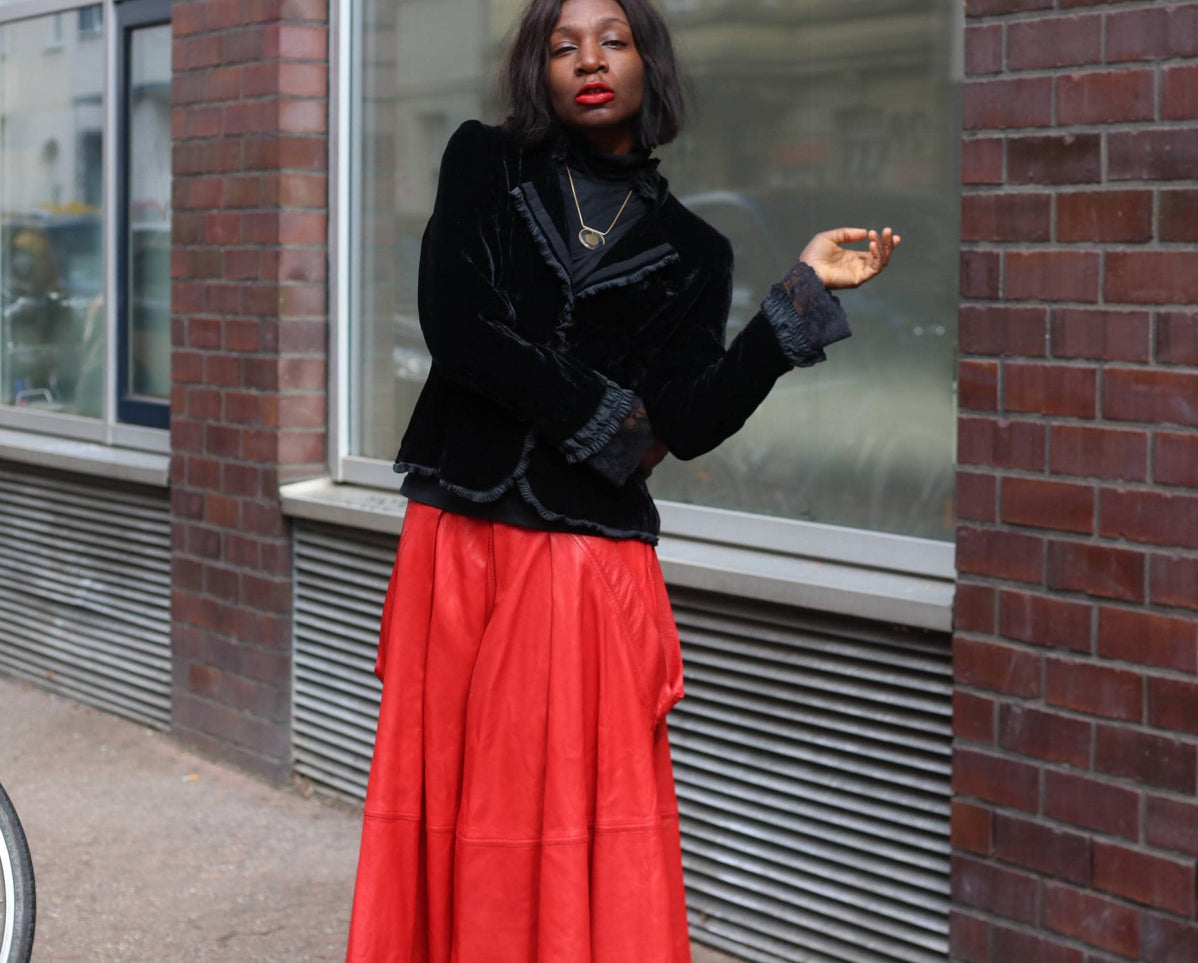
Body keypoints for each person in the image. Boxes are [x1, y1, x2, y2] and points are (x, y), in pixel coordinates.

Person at [344, 0, 899, 959]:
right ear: (537, 70)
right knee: (443, 790)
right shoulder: (483, 160)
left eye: (612, 40)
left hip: (579, 561)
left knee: (561, 807)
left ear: (650, 64)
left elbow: (684, 424)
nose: (587, 60)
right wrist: (607, 419)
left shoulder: (694, 251)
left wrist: (793, 305)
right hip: (458, 534)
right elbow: (458, 325)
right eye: (561, 46)